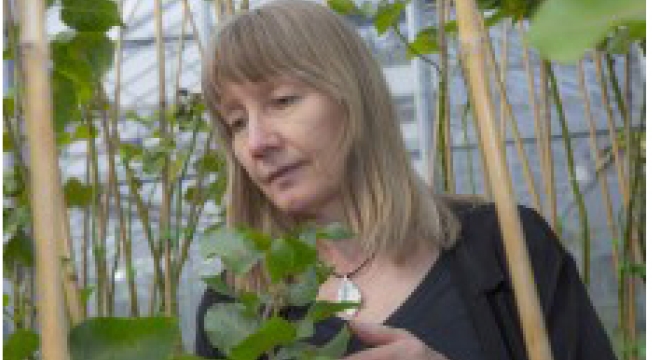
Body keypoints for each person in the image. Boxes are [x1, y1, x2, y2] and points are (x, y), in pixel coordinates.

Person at [195, 1, 617, 359]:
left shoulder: (505, 248)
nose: (256, 142)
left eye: (282, 100)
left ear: (354, 97)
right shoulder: (237, 310)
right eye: (236, 122)